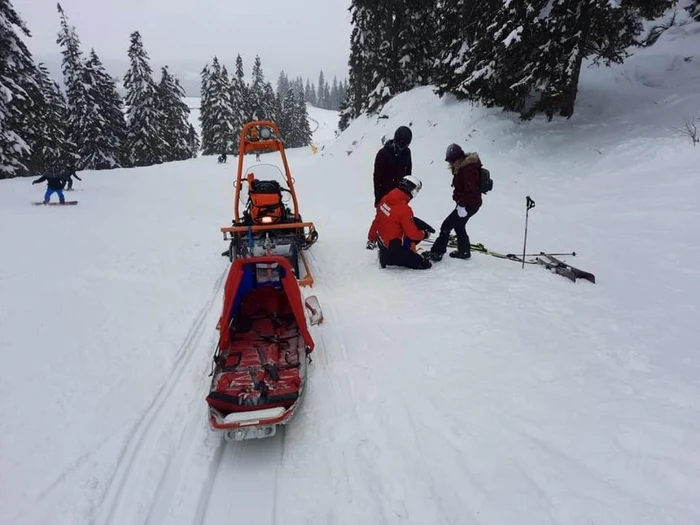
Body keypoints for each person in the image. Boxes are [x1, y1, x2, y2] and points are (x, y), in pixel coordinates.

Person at [425, 143, 483, 261]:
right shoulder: (463, 166)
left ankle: (437, 252)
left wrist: (462, 205)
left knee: (446, 225)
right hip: (469, 204)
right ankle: (464, 251)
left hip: (468, 205)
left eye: (450, 161)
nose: (449, 164)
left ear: (455, 159)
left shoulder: (468, 168)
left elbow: (470, 190)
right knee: (459, 225)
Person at [367, 175, 432, 270]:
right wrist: (424, 234)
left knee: (412, 224)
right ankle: (392, 258)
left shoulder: (385, 199)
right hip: (394, 248)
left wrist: (372, 238)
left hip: (383, 243)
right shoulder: (405, 209)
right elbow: (412, 234)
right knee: (425, 264)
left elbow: (377, 220)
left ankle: (390, 253)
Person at [366, 125, 413, 249]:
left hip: (400, 192)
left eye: (405, 145)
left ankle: (396, 239)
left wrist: (408, 192)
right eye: (400, 145)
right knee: (380, 216)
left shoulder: (407, 152)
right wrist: (378, 197)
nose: (402, 148)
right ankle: (372, 239)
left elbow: (408, 171)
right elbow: (377, 177)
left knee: (400, 217)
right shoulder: (383, 153)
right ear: (396, 140)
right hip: (385, 192)